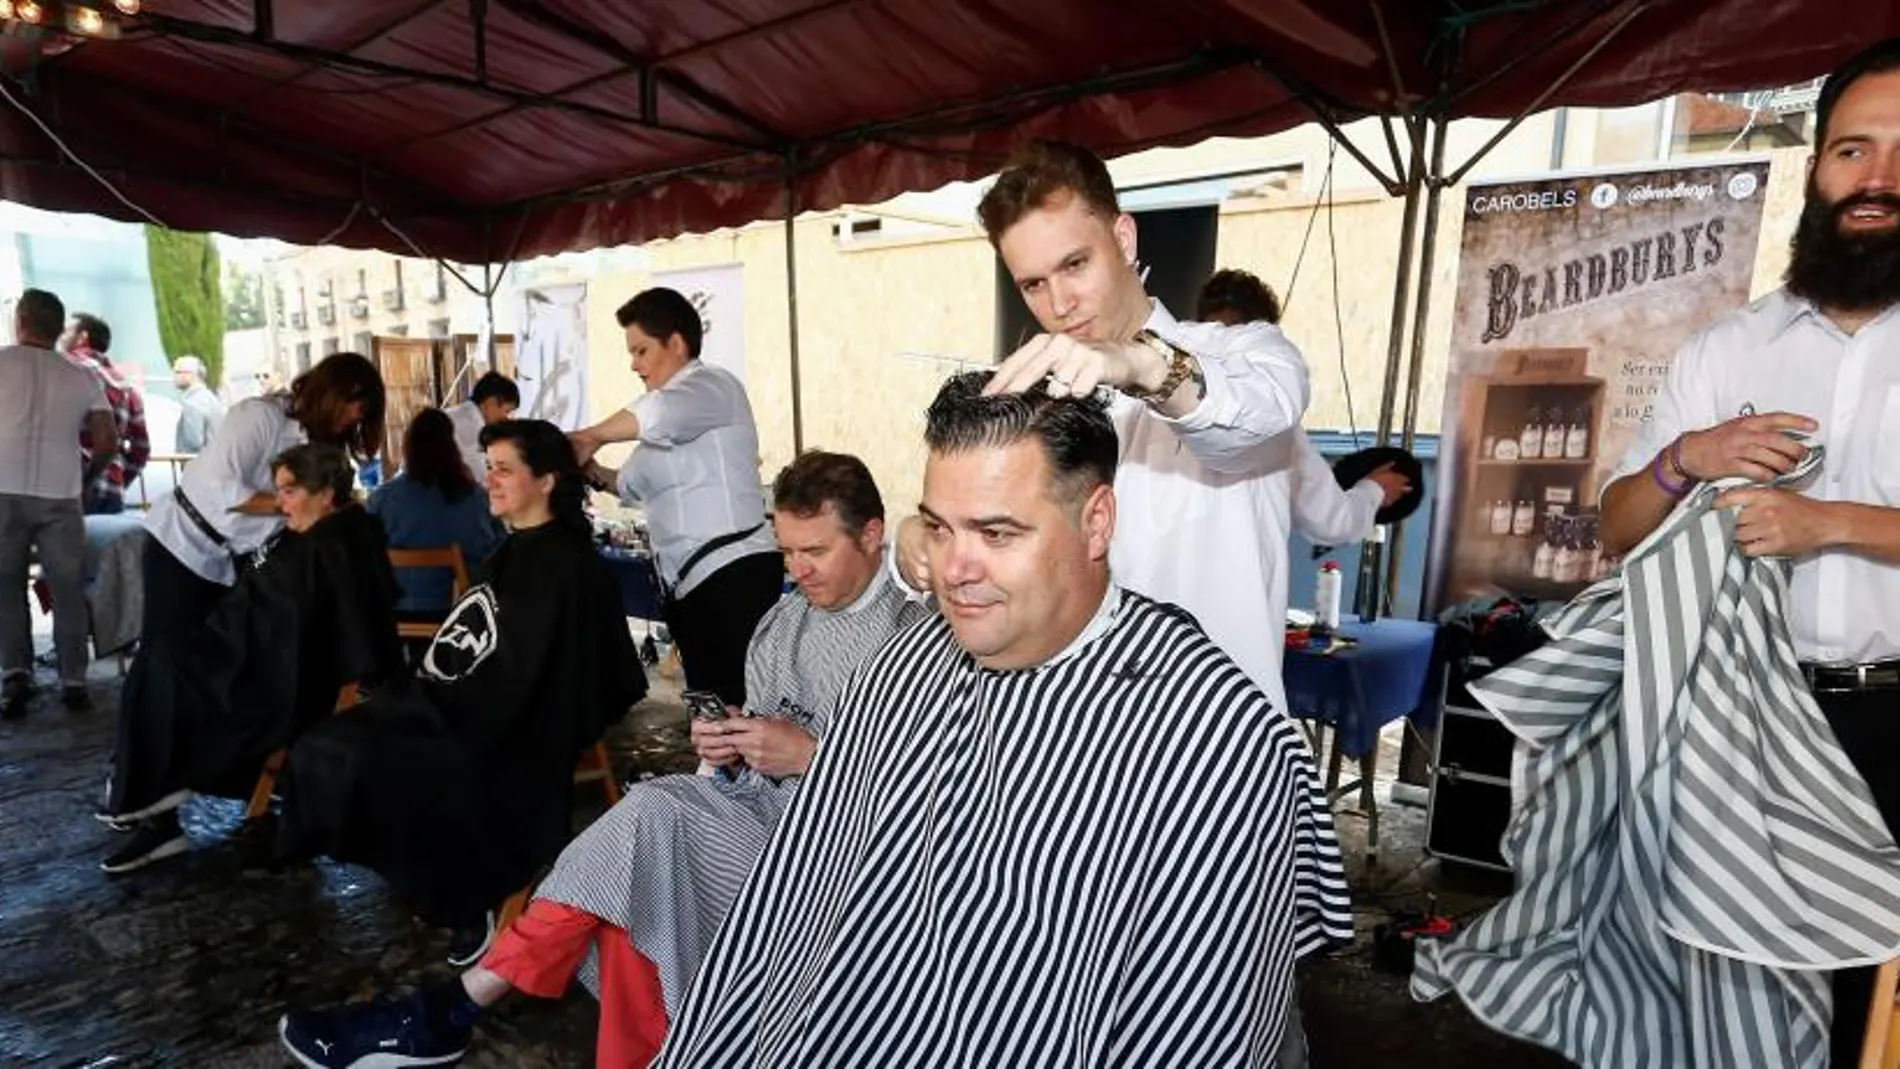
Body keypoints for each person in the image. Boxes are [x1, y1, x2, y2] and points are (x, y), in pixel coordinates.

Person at [652, 374, 1350, 1067]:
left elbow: (1201, 1022)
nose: (955, 569)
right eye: (939, 528)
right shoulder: (904, 668)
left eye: (996, 531)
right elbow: (800, 907)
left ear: (1096, 521)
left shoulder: (1210, 734)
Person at [278, 450, 926, 1069]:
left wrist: (813, 755)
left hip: (840, 850)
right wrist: (728, 744)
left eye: (815, 551)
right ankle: (479, 1014)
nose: (798, 568)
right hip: (754, 815)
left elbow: (930, 791)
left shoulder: (914, 639)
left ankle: (451, 1007)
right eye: (786, 551)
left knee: (644, 832)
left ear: (872, 536)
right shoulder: (783, 621)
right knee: (635, 882)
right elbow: (758, 737)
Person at [1596, 38, 1900, 1064]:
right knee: (1725, 997)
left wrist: (1833, 523)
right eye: (1853, 151)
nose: (1878, 178)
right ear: (1815, 167)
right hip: (1741, 725)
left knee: (1872, 1010)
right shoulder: (1731, 348)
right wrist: (1687, 457)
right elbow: (1616, 527)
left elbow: (1826, 524)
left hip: (1894, 726)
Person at [896, 140, 1316, 717]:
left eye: (1075, 265)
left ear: (1122, 239)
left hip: (1213, 744)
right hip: (1069, 737)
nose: (1060, 303)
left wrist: (1140, 364)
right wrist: (921, 542)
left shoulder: (1243, 354)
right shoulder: (1033, 401)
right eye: (1033, 284)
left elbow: (1252, 417)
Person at [278, 419, 649, 961]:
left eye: (505, 469)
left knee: (375, 758)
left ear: (546, 480)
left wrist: (486, 711)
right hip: (453, 701)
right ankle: (421, 876)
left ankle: (465, 893)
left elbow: (561, 677)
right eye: (488, 467)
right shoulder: (510, 549)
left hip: (511, 722)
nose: (490, 480)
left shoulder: (569, 566)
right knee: (330, 745)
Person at [99, 352, 386, 868]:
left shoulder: (320, 461)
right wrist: (299, 502)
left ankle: (195, 781)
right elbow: (224, 489)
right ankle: (145, 797)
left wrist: (314, 505)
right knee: (168, 663)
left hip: (231, 563)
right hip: (182, 542)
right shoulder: (260, 417)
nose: (353, 421)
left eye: (362, 414)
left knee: (210, 667)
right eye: (351, 406)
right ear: (328, 392)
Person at [570, 287, 784, 707]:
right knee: (710, 709)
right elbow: (628, 484)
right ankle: (715, 773)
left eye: (642, 351)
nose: (634, 364)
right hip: (688, 587)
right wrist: (592, 472)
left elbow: (659, 413)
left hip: (733, 572)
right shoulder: (654, 432)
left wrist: (588, 436)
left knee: (743, 706)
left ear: (677, 343)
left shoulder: (712, 387)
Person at [1195, 268, 1411, 546]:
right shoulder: (1272, 424)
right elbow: (1331, 521)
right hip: (1232, 586)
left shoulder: (1153, 397)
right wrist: (1376, 490)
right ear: (1264, 334)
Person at [0, 289, 116, 717]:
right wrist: (85, 477)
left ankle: (15, 674)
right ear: (57, 327)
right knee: (67, 589)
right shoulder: (83, 377)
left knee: (5, 584)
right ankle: (74, 681)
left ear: (20, 321)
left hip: (2, 488)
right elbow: (107, 441)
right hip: (60, 493)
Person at [368, 407, 504, 618]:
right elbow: (494, 549)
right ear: (452, 445)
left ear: (407, 447)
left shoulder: (383, 498)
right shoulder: (474, 497)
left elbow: (365, 552)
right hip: (460, 610)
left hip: (395, 608)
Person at [60, 312, 150, 515]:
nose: (61, 337)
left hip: (68, 490)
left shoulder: (64, 367)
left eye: (66, 332)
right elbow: (141, 449)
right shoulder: (126, 387)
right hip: (111, 493)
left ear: (82, 337)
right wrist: (116, 477)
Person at [445, 370, 519, 481]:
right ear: (491, 403)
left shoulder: (452, 414)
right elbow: (482, 478)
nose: (506, 419)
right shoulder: (471, 429)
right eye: (506, 411)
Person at [172, 354, 226, 454]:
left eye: (178, 372)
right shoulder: (210, 398)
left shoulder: (192, 403)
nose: (174, 376)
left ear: (192, 375)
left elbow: (194, 443)